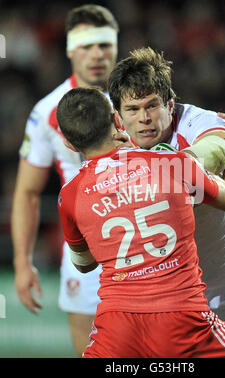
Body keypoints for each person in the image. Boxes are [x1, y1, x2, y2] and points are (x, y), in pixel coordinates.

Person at [56, 87, 225, 358]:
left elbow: (84, 263)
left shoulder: (70, 195)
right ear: (117, 120)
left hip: (117, 330)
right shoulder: (172, 164)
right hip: (183, 319)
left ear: (68, 142)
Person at [108, 47, 225, 356]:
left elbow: (218, 147)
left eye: (152, 105)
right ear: (118, 115)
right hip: (167, 298)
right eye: (132, 109)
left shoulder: (198, 121)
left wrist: (176, 164)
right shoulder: (111, 146)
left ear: (171, 105)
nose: (144, 118)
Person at [11, 4, 119, 356]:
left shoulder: (137, 100)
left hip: (145, 247)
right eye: (86, 45)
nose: (96, 55)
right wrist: (22, 262)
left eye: (104, 44)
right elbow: (27, 192)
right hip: (84, 252)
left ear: (116, 46)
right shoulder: (48, 111)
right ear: (70, 49)